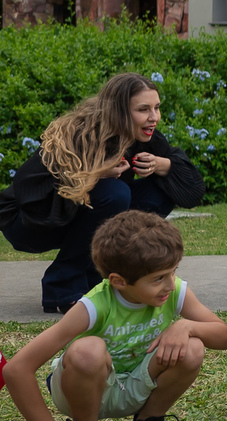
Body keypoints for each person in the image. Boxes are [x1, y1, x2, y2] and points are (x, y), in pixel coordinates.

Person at [4, 210, 227, 421]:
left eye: (173, 272)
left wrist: (186, 326)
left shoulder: (175, 291)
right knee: (88, 350)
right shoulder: (92, 306)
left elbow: (224, 336)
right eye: (158, 278)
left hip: (137, 384)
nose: (170, 284)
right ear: (118, 281)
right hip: (84, 390)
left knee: (192, 346)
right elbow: (16, 369)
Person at [0, 72, 205, 313]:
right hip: (28, 222)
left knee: (161, 189)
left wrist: (161, 165)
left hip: (79, 218)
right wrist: (95, 174)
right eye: (143, 109)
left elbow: (193, 191)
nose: (154, 117)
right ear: (119, 110)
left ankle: (94, 279)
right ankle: (62, 286)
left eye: (157, 108)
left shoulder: (143, 136)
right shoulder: (78, 133)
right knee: (115, 192)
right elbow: (28, 186)